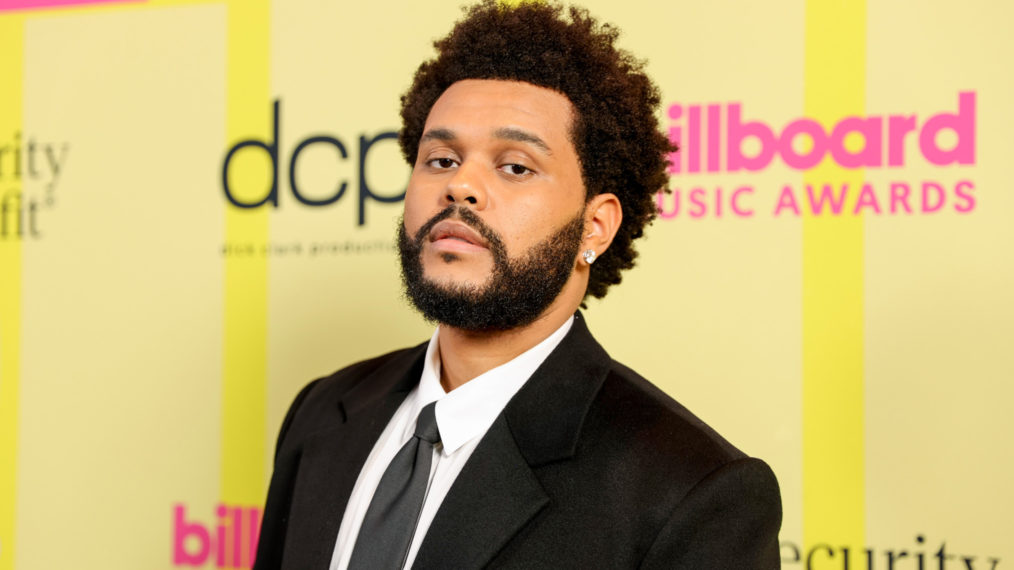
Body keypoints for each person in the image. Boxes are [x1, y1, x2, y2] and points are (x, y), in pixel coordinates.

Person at [253, 2, 782, 568]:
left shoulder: (692, 492)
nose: (460, 186)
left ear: (594, 226)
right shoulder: (323, 410)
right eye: (440, 158)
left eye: (515, 166)